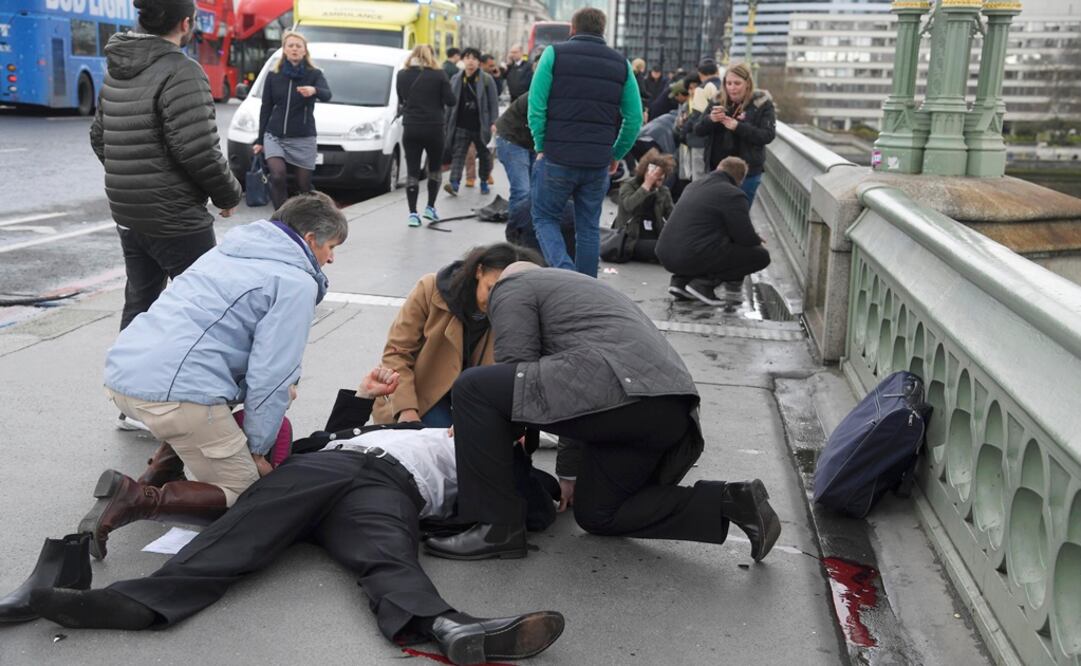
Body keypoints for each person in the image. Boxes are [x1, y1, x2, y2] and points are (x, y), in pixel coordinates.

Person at [27, 370, 566, 666]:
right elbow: (317, 441)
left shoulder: (504, 464)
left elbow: (536, 508)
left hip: (389, 490)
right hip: (327, 466)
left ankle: (446, 626)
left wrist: (544, 479)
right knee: (244, 535)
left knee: (386, 557)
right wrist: (360, 399)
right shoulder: (415, 428)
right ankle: (136, 602)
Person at [423, 264, 782, 563]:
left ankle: (494, 528)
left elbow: (520, 372)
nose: (487, 305)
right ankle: (730, 501)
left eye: (485, 290)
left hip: (624, 393)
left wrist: (487, 425)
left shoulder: (513, 284)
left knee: (473, 387)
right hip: (666, 410)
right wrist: (568, 472)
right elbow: (569, 391)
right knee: (600, 513)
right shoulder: (585, 298)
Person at [84, 193, 347, 560]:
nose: (331, 258)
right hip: (174, 396)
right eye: (332, 246)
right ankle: (136, 499)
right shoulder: (294, 282)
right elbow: (271, 377)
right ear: (309, 240)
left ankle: (159, 473)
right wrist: (255, 449)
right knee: (245, 492)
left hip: (125, 375)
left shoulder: (227, 251)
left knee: (207, 394)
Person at [90, 0, 241, 335]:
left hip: (129, 214)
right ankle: (195, 384)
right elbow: (199, 150)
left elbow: (100, 138)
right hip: (175, 217)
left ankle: (124, 379)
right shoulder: (181, 71)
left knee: (140, 303)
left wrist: (132, 176)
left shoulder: (116, 68)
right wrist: (228, 195)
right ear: (185, 24)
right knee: (205, 307)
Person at [374, 243, 543, 427]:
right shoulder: (429, 289)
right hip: (421, 396)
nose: (496, 300)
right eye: (490, 288)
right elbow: (396, 354)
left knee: (494, 449)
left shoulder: (517, 312)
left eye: (505, 294)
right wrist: (406, 409)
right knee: (446, 445)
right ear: (479, 271)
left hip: (477, 401)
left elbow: (519, 372)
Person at [528, 8, 643, 278]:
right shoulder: (621, 64)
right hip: (597, 162)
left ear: (572, 28)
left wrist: (541, 144)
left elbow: (536, 106)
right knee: (589, 228)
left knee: (545, 219)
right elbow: (634, 118)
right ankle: (588, 288)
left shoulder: (553, 55)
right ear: (602, 30)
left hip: (557, 156)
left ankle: (565, 274)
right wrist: (616, 153)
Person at [655, 157, 771, 305]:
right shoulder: (733, 194)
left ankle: (680, 282)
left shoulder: (694, 185)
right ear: (741, 179)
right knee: (760, 256)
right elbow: (744, 237)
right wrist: (756, 239)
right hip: (690, 255)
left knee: (706, 244)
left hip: (665, 254)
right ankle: (703, 284)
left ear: (718, 168)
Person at [253, 31, 332, 210]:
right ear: (284, 50)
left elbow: (327, 94)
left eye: (298, 46)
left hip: (303, 137)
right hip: (274, 135)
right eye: (290, 46)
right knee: (278, 176)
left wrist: (314, 90)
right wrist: (260, 140)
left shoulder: (314, 74)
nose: (294, 49)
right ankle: (281, 217)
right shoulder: (274, 75)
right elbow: (266, 108)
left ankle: (306, 216)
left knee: (303, 186)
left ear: (305, 51)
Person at [693, 62, 776, 203]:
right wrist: (711, 119)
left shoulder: (762, 103)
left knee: (737, 215)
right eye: (729, 83)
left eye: (737, 83)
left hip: (747, 173)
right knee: (716, 215)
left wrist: (738, 127)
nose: (732, 88)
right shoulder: (717, 100)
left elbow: (767, 135)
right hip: (717, 170)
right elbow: (698, 130)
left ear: (747, 83)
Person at [396, 44, 456, 228]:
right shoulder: (439, 75)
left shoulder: (402, 75)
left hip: (411, 127)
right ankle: (430, 207)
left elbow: (401, 98)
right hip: (434, 127)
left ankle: (413, 214)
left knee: (413, 171)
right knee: (435, 168)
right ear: (431, 56)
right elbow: (451, 100)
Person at [444, 48, 499, 197]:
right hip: (461, 124)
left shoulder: (487, 79)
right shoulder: (456, 79)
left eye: (474, 58)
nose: (470, 61)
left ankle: (483, 182)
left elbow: (494, 103)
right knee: (458, 154)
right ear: (462, 60)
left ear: (479, 62)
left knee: (484, 155)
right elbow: (449, 104)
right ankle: (454, 183)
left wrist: (494, 123)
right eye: (467, 58)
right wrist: (446, 122)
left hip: (481, 125)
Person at [608, 152, 676, 263]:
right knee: (667, 250)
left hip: (654, 236)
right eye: (656, 178)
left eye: (661, 179)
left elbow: (672, 216)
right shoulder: (629, 186)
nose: (659, 182)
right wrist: (647, 185)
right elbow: (628, 205)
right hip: (631, 239)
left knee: (680, 247)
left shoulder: (663, 191)